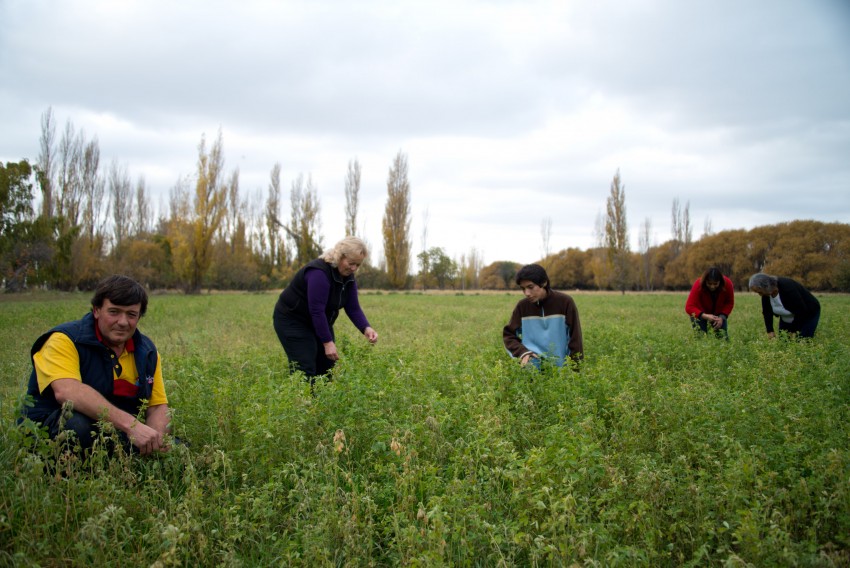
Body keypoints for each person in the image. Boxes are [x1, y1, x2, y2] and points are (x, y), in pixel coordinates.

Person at [20, 275, 171, 456]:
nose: (123, 322)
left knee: (175, 446)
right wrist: (132, 426)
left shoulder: (147, 352)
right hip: (51, 425)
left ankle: (121, 460)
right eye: (114, 312)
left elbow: (157, 406)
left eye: (131, 314)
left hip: (112, 428)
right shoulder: (64, 340)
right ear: (96, 310)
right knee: (76, 426)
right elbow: (67, 391)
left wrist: (155, 440)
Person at [273, 236, 378, 382]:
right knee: (304, 366)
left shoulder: (348, 277)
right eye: (351, 263)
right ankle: (301, 402)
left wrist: (366, 328)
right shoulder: (319, 273)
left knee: (327, 364)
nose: (353, 268)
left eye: (358, 265)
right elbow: (316, 310)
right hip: (293, 320)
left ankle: (320, 403)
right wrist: (327, 342)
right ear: (340, 256)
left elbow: (352, 307)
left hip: (319, 320)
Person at [503, 263, 583, 369]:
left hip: (560, 370)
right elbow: (509, 335)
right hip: (532, 368)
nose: (526, 293)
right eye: (523, 288)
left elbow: (575, 339)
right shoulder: (522, 306)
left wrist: (575, 371)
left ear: (544, 283)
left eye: (530, 287)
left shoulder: (565, 302)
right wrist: (523, 353)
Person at [748, 273, 821, 339]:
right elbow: (767, 312)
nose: (760, 295)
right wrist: (770, 331)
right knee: (784, 341)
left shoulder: (787, 287)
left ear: (766, 286)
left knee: (803, 341)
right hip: (787, 317)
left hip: (808, 313)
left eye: (760, 292)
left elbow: (801, 311)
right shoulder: (766, 294)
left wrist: (793, 331)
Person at [685, 266, 735, 338]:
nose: (712, 286)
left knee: (723, 339)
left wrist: (722, 317)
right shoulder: (698, 284)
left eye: (715, 284)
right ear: (705, 281)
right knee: (701, 339)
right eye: (709, 283)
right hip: (700, 314)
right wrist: (705, 316)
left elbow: (729, 303)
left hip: (719, 315)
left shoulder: (727, 284)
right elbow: (689, 307)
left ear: (720, 282)